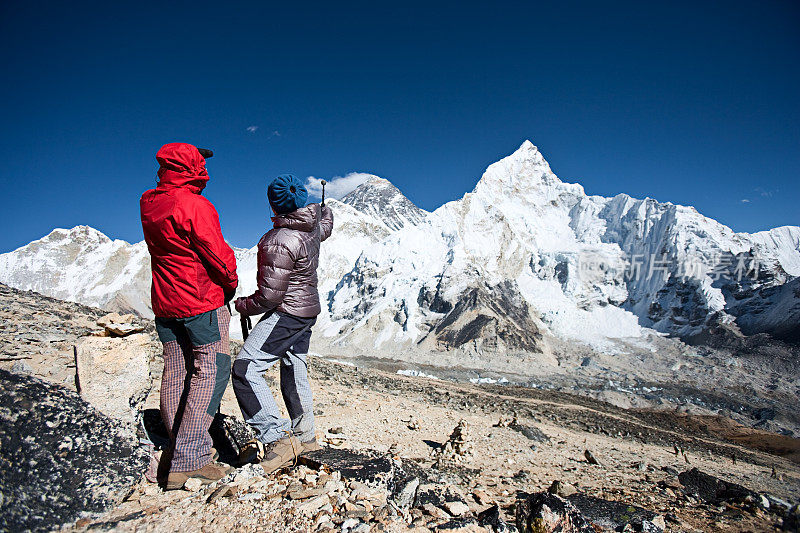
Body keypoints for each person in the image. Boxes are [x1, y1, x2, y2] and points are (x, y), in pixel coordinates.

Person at [140, 142, 239, 490]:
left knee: (175, 372)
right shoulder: (195, 205)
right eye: (200, 163)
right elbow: (218, 253)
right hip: (200, 301)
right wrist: (231, 282)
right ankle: (191, 459)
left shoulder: (149, 203)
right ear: (193, 167)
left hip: (165, 304)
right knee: (211, 370)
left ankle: (174, 447)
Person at [232, 173, 333, 474]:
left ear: (273, 205)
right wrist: (325, 211)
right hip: (308, 311)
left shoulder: (278, 240)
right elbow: (326, 224)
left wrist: (242, 305)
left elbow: (268, 296)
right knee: (294, 366)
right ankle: (305, 436)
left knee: (246, 368)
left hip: (287, 313)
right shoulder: (312, 228)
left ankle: (276, 439)